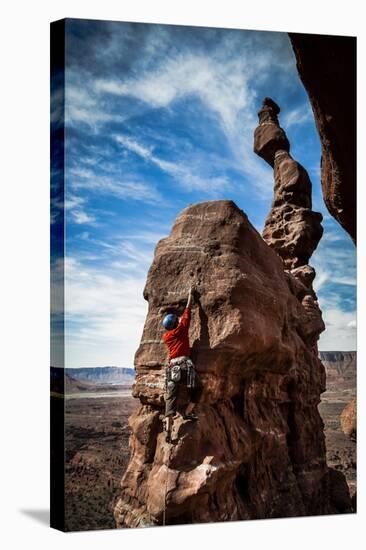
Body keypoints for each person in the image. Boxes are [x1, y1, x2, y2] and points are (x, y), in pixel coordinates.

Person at [162, 286, 199, 439]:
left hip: (172, 369)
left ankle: (168, 431)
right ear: (176, 323)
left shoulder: (166, 337)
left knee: (170, 400)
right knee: (198, 389)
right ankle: (188, 412)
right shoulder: (182, 329)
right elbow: (188, 309)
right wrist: (190, 294)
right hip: (184, 367)